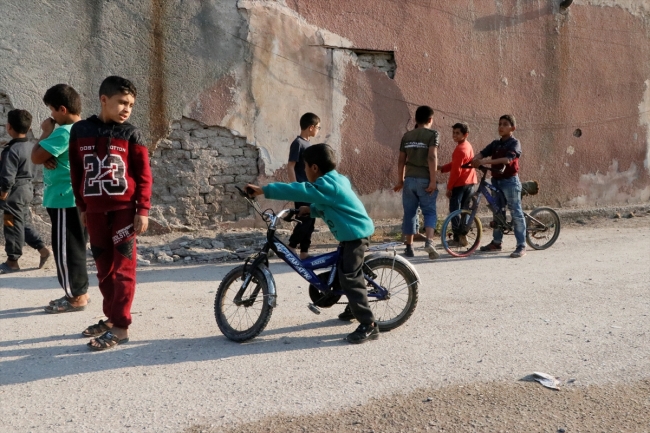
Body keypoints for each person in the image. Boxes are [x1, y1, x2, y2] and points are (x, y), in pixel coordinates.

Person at [246, 143, 379, 344]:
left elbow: (299, 190)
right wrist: (310, 210)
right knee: (342, 272)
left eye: (305, 167)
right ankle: (352, 306)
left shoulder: (327, 184)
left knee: (350, 277)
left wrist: (263, 190)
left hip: (356, 236)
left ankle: (368, 325)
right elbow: (332, 204)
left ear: (314, 168)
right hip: (350, 234)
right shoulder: (335, 180)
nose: (305, 172)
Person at [69, 76, 152, 350]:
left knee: (123, 270)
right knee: (104, 270)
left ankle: (121, 326)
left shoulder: (131, 134)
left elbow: (143, 176)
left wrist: (143, 210)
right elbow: (76, 171)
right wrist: (82, 207)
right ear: (104, 100)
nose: (127, 109)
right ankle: (110, 318)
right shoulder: (80, 131)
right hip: (94, 213)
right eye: (121, 102)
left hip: (124, 213)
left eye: (131, 104)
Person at [31, 84, 90, 313]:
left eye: (52, 110)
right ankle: (79, 291)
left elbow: (36, 157)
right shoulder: (84, 128)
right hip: (77, 198)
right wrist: (48, 156)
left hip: (64, 199)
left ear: (62, 109)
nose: (51, 116)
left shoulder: (63, 132)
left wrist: (45, 133)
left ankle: (76, 297)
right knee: (76, 248)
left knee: (66, 250)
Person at [0, 109, 50, 274]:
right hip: (27, 189)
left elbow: (8, 176)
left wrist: (4, 191)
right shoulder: (32, 147)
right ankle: (42, 249)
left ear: (9, 127)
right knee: (23, 222)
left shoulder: (11, 150)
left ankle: (12, 261)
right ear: (29, 128)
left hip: (13, 193)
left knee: (11, 223)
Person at [471, 114, 527, 258]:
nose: (501, 126)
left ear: (513, 128)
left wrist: (484, 162)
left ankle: (521, 245)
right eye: (500, 124)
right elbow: (483, 153)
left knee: (516, 212)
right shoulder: (495, 144)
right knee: (497, 212)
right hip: (496, 180)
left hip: (510, 181)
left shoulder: (514, 143)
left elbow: (507, 160)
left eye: (505, 124)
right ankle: (496, 242)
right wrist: (475, 159)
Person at [393, 105, 440, 259]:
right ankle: (429, 242)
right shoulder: (433, 134)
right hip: (425, 179)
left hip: (409, 180)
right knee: (429, 211)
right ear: (430, 119)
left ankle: (409, 246)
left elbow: (401, 161)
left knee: (410, 213)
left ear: (415, 119)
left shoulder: (407, 136)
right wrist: (433, 181)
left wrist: (400, 180)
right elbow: (432, 157)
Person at [287, 112, 320, 260]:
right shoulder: (298, 143)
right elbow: (290, 166)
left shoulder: (308, 144)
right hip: (301, 190)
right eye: (318, 127)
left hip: (310, 189)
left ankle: (304, 252)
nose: (319, 130)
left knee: (311, 220)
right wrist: (295, 187)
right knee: (304, 220)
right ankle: (291, 246)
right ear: (311, 127)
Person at [438, 122, 477, 247]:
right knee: (464, 211)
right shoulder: (467, 146)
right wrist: (443, 168)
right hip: (470, 182)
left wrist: (449, 188)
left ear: (465, 135)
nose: (454, 135)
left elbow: (456, 171)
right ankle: (462, 237)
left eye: (457, 133)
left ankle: (457, 237)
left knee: (454, 211)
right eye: (453, 133)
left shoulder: (460, 149)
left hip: (460, 184)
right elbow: (457, 164)